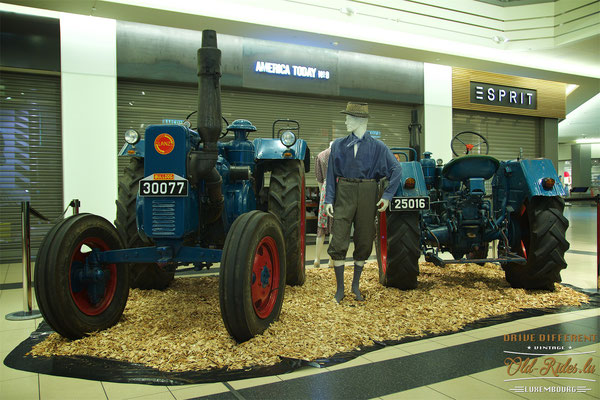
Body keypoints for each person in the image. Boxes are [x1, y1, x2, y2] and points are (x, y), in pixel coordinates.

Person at [325, 102, 401, 303]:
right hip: (344, 191)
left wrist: (387, 196)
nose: (345, 121)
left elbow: (397, 170)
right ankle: (340, 289)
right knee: (339, 237)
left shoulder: (378, 147)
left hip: (369, 191)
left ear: (361, 120)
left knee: (365, 238)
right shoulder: (339, 145)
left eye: (349, 118)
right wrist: (328, 199)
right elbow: (331, 174)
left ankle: (355, 286)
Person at [313, 143, 334, 268]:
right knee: (333, 227)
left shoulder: (320, 156)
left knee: (321, 227)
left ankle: (317, 258)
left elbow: (319, 179)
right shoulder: (340, 155)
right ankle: (331, 260)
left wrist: (322, 194)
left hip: (325, 189)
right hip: (337, 189)